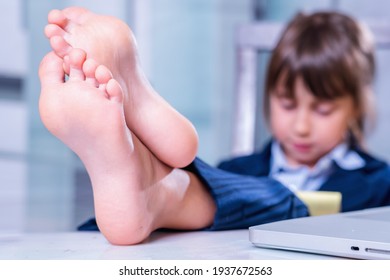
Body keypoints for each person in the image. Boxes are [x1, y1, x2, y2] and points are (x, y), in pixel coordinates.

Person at [39, 7, 390, 245]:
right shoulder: (238, 170)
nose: (301, 125)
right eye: (287, 103)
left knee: (287, 203)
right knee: (208, 190)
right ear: (269, 96)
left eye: (323, 110)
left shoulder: (380, 183)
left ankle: (160, 183)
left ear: (356, 107)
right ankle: (155, 180)